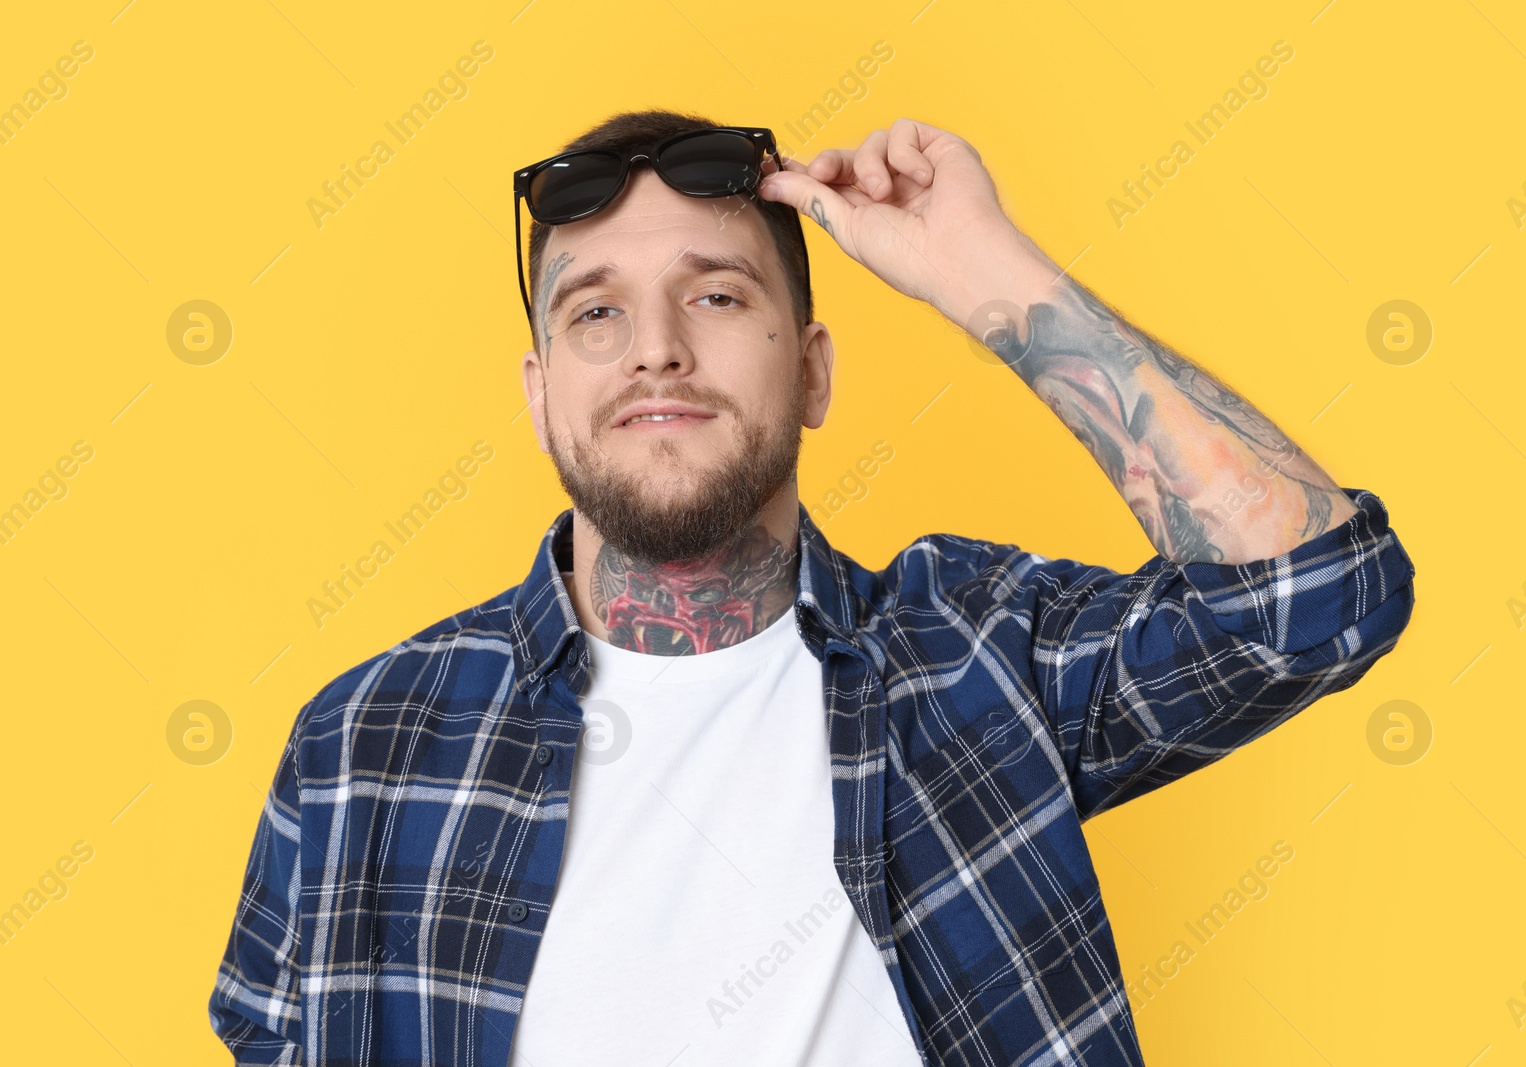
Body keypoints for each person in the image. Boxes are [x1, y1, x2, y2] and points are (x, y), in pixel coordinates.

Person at [208, 109, 1416, 1066]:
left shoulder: (973, 653)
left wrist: (983, 272)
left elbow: (1318, 596)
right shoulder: (363, 740)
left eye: (718, 294)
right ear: (537, 393)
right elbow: (266, 1026)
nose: (655, 348)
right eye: (595, 312)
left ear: (814, 371)